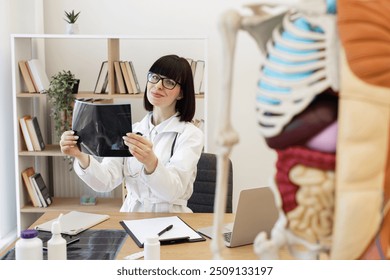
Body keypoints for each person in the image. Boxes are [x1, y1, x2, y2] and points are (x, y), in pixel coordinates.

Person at [60, 54, 204, 212]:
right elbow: (105, 181)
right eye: (154, 77)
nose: (158, 85)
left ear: (181, 93)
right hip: (132, 216)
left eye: (169, 82)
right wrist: (80, 155)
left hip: (171, 219)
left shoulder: (190, 135)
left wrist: (151, 162)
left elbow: (173, 192)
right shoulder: (133, 130)